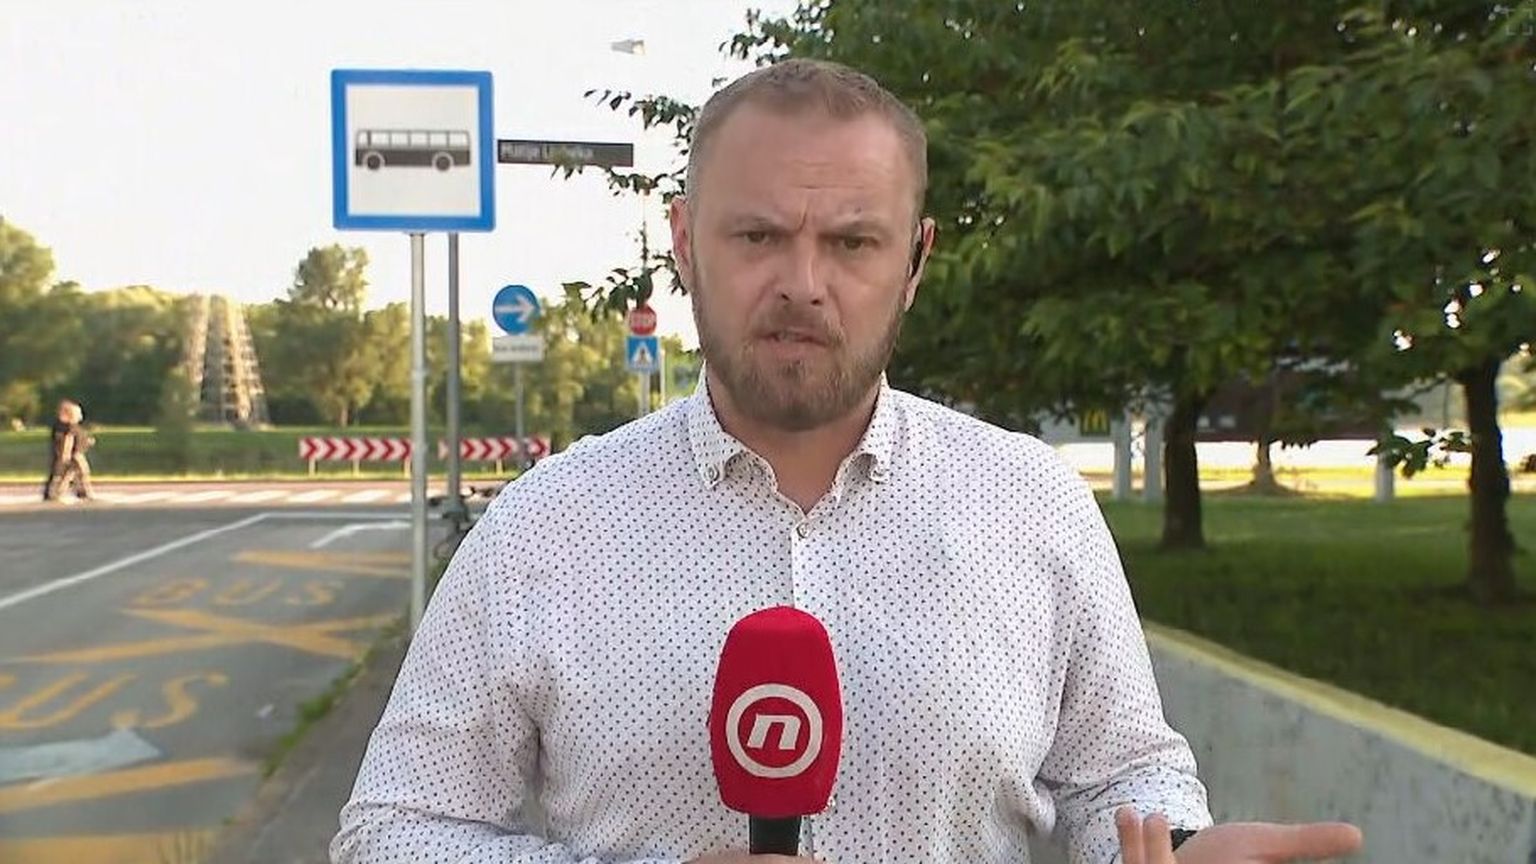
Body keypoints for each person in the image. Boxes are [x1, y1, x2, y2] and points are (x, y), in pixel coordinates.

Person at [333, 59, 1364, 864]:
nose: (803, 283)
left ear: (915, 260)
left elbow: (1120, 779)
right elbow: (392, 832)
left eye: (853, 243)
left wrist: (1170, 845)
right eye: (757, 237)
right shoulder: (544, 527)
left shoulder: (1033, 503)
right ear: (685, 243)